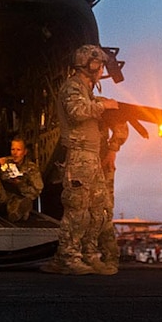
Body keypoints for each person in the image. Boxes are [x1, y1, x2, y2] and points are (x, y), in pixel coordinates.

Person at [41, 44, 118, 276]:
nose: (102, 69)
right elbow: (77, 112)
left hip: (92, 157)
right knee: (77, 210)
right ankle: (67, 257)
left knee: (98, 209)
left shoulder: (87, 90)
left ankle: (88, 254)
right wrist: (103, 106)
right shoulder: (72, 87)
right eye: (100, 64)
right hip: (80, 156)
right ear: (90, 65)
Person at [95, 111, 130, 275]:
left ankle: (110, 258)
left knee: (103, 211)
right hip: (80, 166)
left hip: (102, 165)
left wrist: (112, 151)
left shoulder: (100, 105)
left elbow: (121, 126)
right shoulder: (71, 102)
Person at [0, 137, 43, 221]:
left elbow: (37, 190)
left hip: (20, 196)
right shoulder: (6, 162)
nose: (15, 153)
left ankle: (20, 211)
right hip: (4, 195)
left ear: (25, 152)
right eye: (13, 149)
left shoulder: (31, 168)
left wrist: (19, 184)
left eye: (18, 150)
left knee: (16, 210)